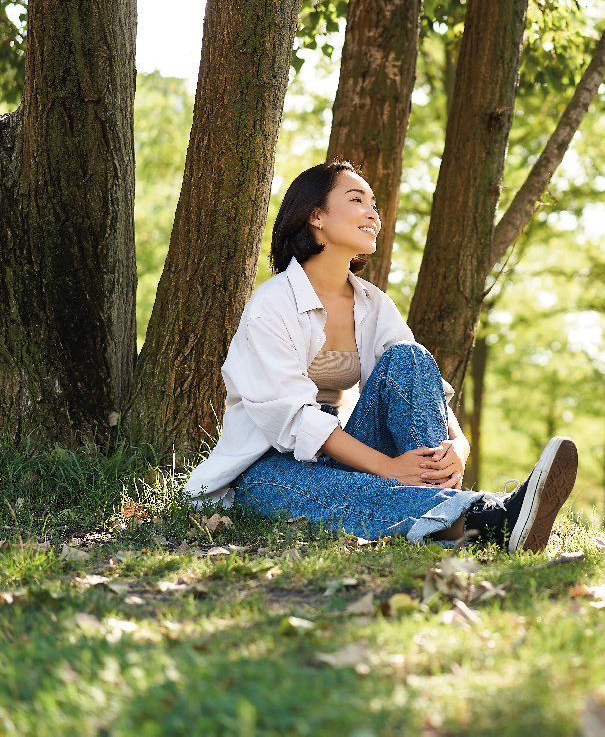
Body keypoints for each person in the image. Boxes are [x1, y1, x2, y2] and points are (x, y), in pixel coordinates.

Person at [183, 160, 577, 551]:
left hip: (348, 453)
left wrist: (459, 446)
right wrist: (390, 468)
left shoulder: (373, 303)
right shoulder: (272, 305)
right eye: (357, 200)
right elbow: (296, 420)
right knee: (350, 489)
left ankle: (457, 502)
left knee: (409, 357)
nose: (373, 213)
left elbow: (423, 385)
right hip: (268, 469)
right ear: (316, 215)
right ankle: (488, 519)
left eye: (375, 205)